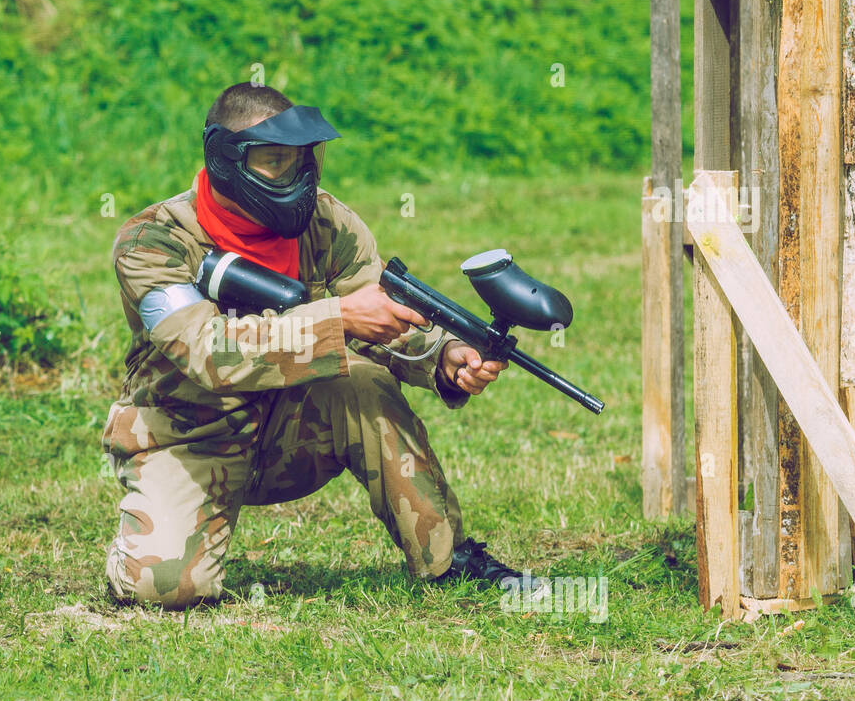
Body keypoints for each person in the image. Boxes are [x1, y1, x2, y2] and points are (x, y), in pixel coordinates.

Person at [102, 83, 545, 609]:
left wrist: (444, 357)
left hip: (290, 433)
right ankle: (136, 549)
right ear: (225, 160)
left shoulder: (326, 224)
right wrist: (338, 317)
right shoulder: (154, 240)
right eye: (274, 162)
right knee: (165, 587)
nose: (297, 179)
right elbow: (206, 352)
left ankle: (447, 562)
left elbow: (383, 316)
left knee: (362, 381)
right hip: (186, 435)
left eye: (304, 161)